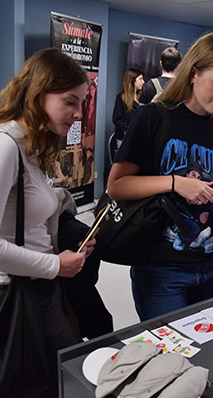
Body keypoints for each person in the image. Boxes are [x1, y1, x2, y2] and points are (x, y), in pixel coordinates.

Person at [107, 32, 213, 321]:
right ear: (193, 73)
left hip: (210, 265)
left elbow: (212, 183)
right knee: (168, 360)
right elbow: (116, 186)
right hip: (160, 269)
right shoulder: (153, 117)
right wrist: (175, 183)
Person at [0, 48, 95, 397]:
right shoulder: (6, 146)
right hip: (17, 295)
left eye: (82, 103)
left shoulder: (31, 147)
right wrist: (54, 265)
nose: (78, 113)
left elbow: (27, 222)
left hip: (40, 287)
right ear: (39, 95)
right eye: (70, 102)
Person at [112, 68, 144, 148]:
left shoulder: (142, 98)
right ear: (132, 80)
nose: (143, 82)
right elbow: (116, 119)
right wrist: (129, 130)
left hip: (139, 138)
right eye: (140, 79)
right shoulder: (121, 98)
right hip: (124, 139)